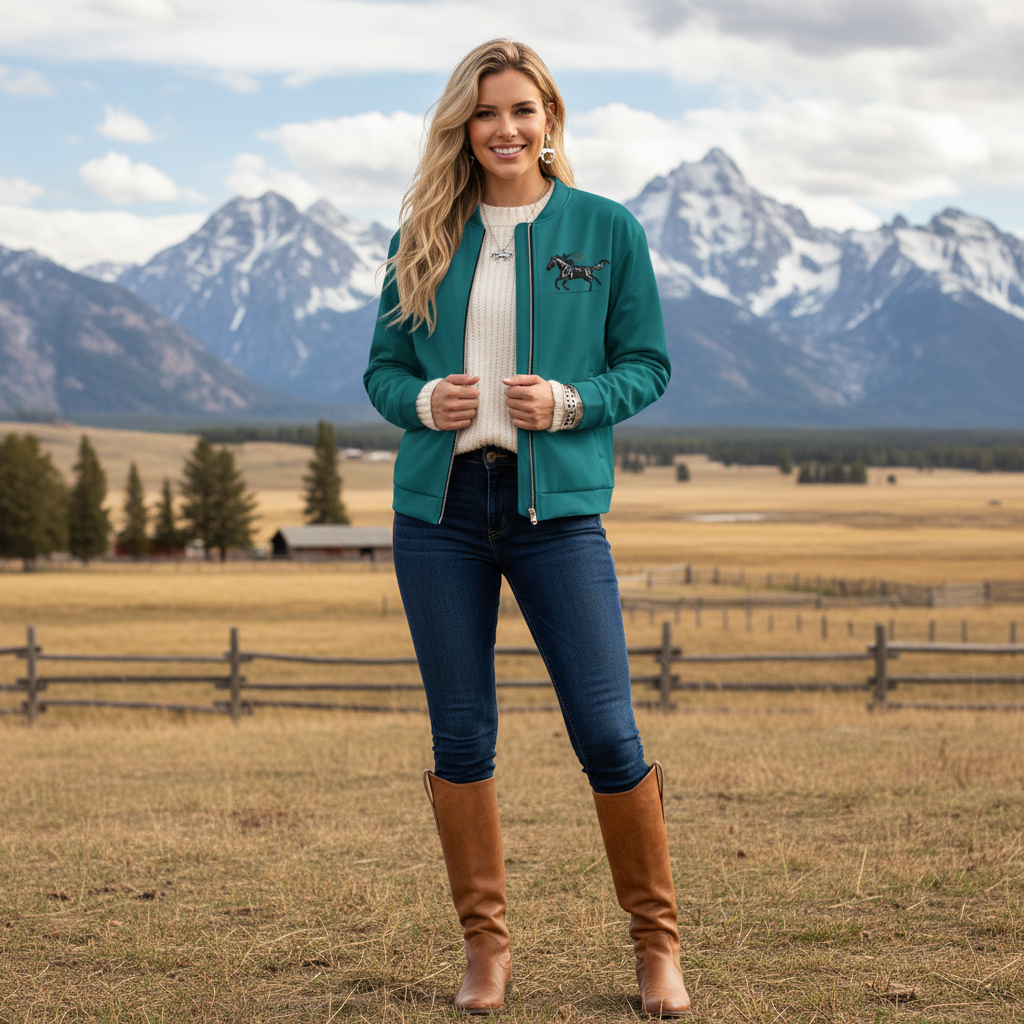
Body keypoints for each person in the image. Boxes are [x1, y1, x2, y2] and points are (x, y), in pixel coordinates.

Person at [363, 38, 690, 1018]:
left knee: (606, 730)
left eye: (522, 109)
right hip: (441, 514)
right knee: (461, 733)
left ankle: (657, 949)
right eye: (485, 112)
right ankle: (486, 952)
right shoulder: (423, 229)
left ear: (549, 118)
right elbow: (381, 373)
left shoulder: (604, 228)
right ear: (462, 126)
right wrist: (426, 404)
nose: (505, 128)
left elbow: (648, 363)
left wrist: (571, 401)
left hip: (560, 514)